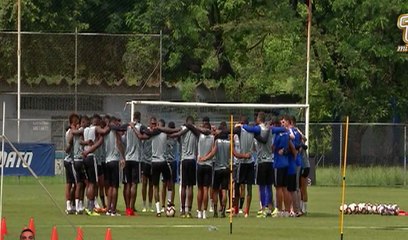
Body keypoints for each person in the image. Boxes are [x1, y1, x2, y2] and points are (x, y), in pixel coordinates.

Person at [169, 116, 199, 218]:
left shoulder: (182, 129)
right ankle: (189, 211)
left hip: (184, 160)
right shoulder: (195, 130)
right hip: (192, 160)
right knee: (190, 186)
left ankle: (182, 210)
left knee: (184, 186)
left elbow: (177, 137)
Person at [104, 116, 126, 216]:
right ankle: (113, 210)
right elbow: (119, 144)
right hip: (114, 160)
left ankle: (108, 209)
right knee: (115, 187)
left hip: (107, 161)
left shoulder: (105, 131)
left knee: (109, 187)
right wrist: (123, 157)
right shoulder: (115, 132)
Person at [233, 115, 255, 218]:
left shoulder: (239, 131)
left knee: (238, 186)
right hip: (250, 162)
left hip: (241, 162)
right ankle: (246, 211)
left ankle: (237, 210)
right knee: (248, 188)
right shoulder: (253, 131)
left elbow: (230, 130)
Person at [123, 111, 143, 216]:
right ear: (139, 117)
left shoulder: (127, 127)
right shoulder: (139, 127)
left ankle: (127, 209)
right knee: (134, 184)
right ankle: (131, 208)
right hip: (135, 159)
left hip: (127, 158)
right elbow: (141, 136)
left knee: (128, 184)